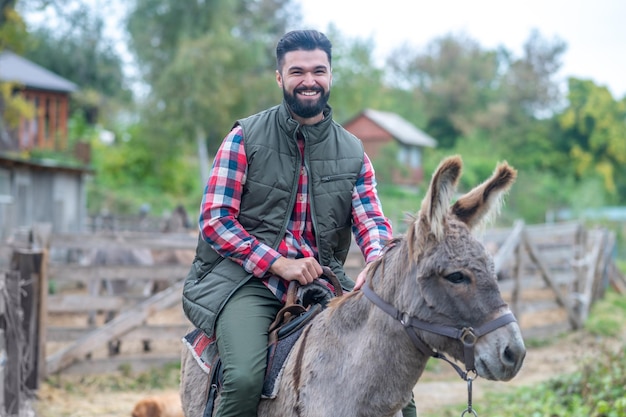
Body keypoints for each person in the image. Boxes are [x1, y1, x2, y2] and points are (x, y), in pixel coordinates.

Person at [182, 29, 416, 417]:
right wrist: (278, 262)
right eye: (297, 71)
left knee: (398, 389)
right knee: (243, 379)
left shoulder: (352, 151)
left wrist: (377, 264)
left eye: (318, 70)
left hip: (324, 277)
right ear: (280, 78)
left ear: (330, 75)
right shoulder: (245, 137)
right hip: (247, 279)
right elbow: (214, 219)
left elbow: (371, 218)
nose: (309, 80)